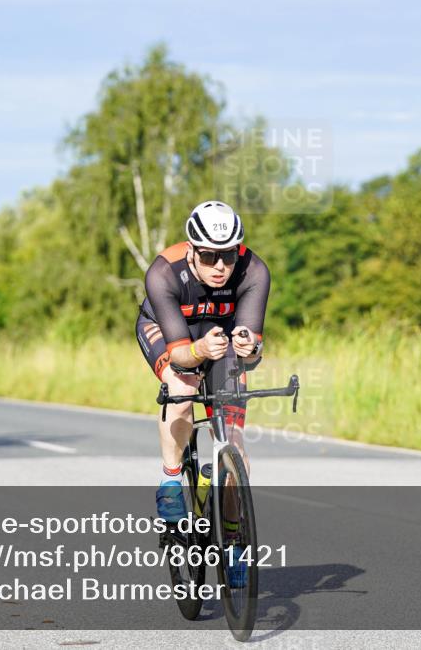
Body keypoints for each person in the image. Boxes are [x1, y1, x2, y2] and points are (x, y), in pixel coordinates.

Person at [136, 201, 269, 581]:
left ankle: (233, 543)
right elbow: (181, 352)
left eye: (228, 255)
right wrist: (196, 352)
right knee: (180, 386)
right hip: (170, 333)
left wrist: (251, 347)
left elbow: (253, 350)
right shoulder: (164, 272)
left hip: (221, 339)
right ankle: (171, 480)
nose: (220, 267)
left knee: (236, 445)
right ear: (192, 249)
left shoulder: (254, 271)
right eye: (209, 256)